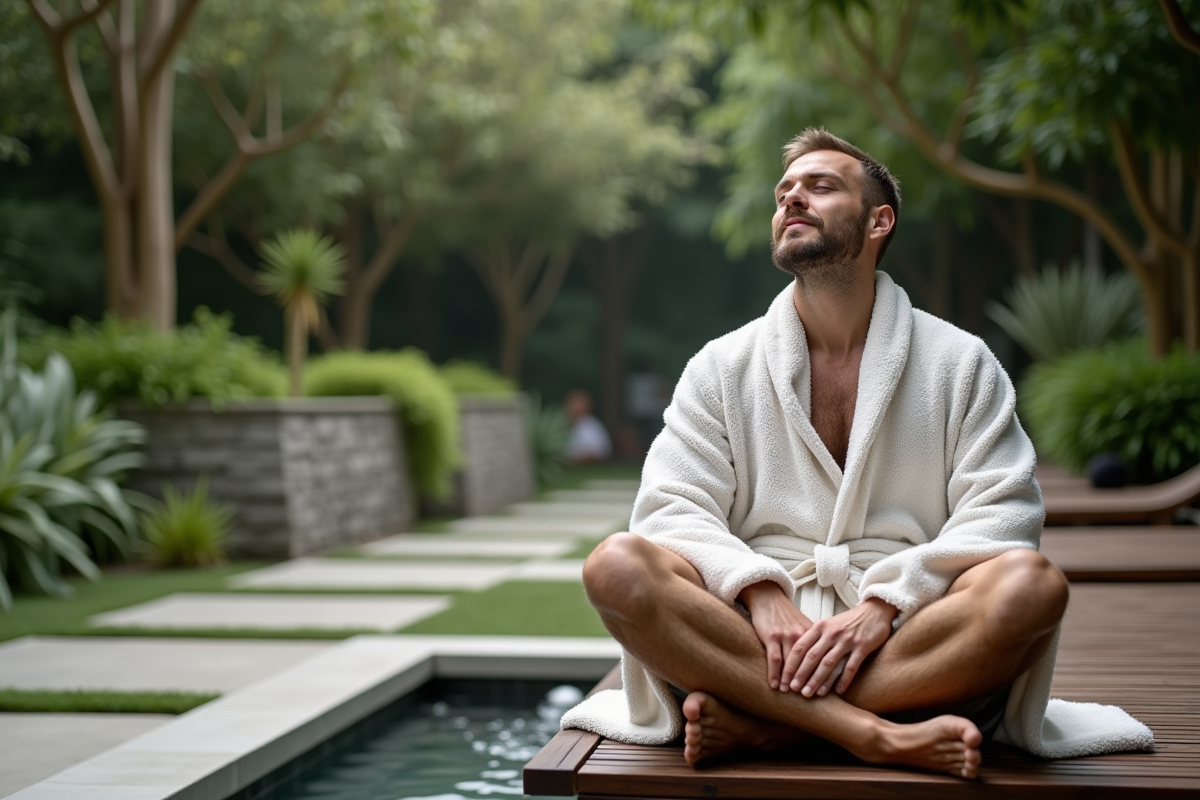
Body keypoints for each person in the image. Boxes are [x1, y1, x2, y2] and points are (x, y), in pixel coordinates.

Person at [561, 129, 1151, 778]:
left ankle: (770, 728)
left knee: (1033, 588)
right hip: (756, 635)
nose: (792, 200)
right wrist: (761, 592)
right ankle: (870, 734)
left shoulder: (960, 362)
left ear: (879, 221)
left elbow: (1004, 515)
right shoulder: (721, 367)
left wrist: (883, 607)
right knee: (616, 565)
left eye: (820, 186)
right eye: (784, 192)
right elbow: (670, 508)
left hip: (905, 635)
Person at [565, 389, 612, 463]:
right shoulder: (563, 425)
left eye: (577, 403)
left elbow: (599, 452)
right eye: (572, 403)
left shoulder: (593, 426)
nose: (573, 407)